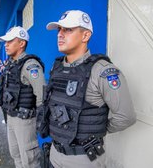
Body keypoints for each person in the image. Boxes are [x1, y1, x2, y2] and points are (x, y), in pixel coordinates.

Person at [38, 10, 136, 168]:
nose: (60, 34)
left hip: (84, 158)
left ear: (85, 36)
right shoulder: (57, 68)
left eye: (68, 29)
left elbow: (126, 116)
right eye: (59, 29)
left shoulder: (103, 71)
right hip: (55, 153)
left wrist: (95, 128)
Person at [0, 26, 46, 168]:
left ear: (22, 43)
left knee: (29, 160)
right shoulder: (11, 64)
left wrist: (41, 122)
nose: (6, 44)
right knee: (16, 155)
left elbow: (42, 95)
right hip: (11, 117)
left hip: (25, 121)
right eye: (6, 42)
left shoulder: (30, 65)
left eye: (10, 41)